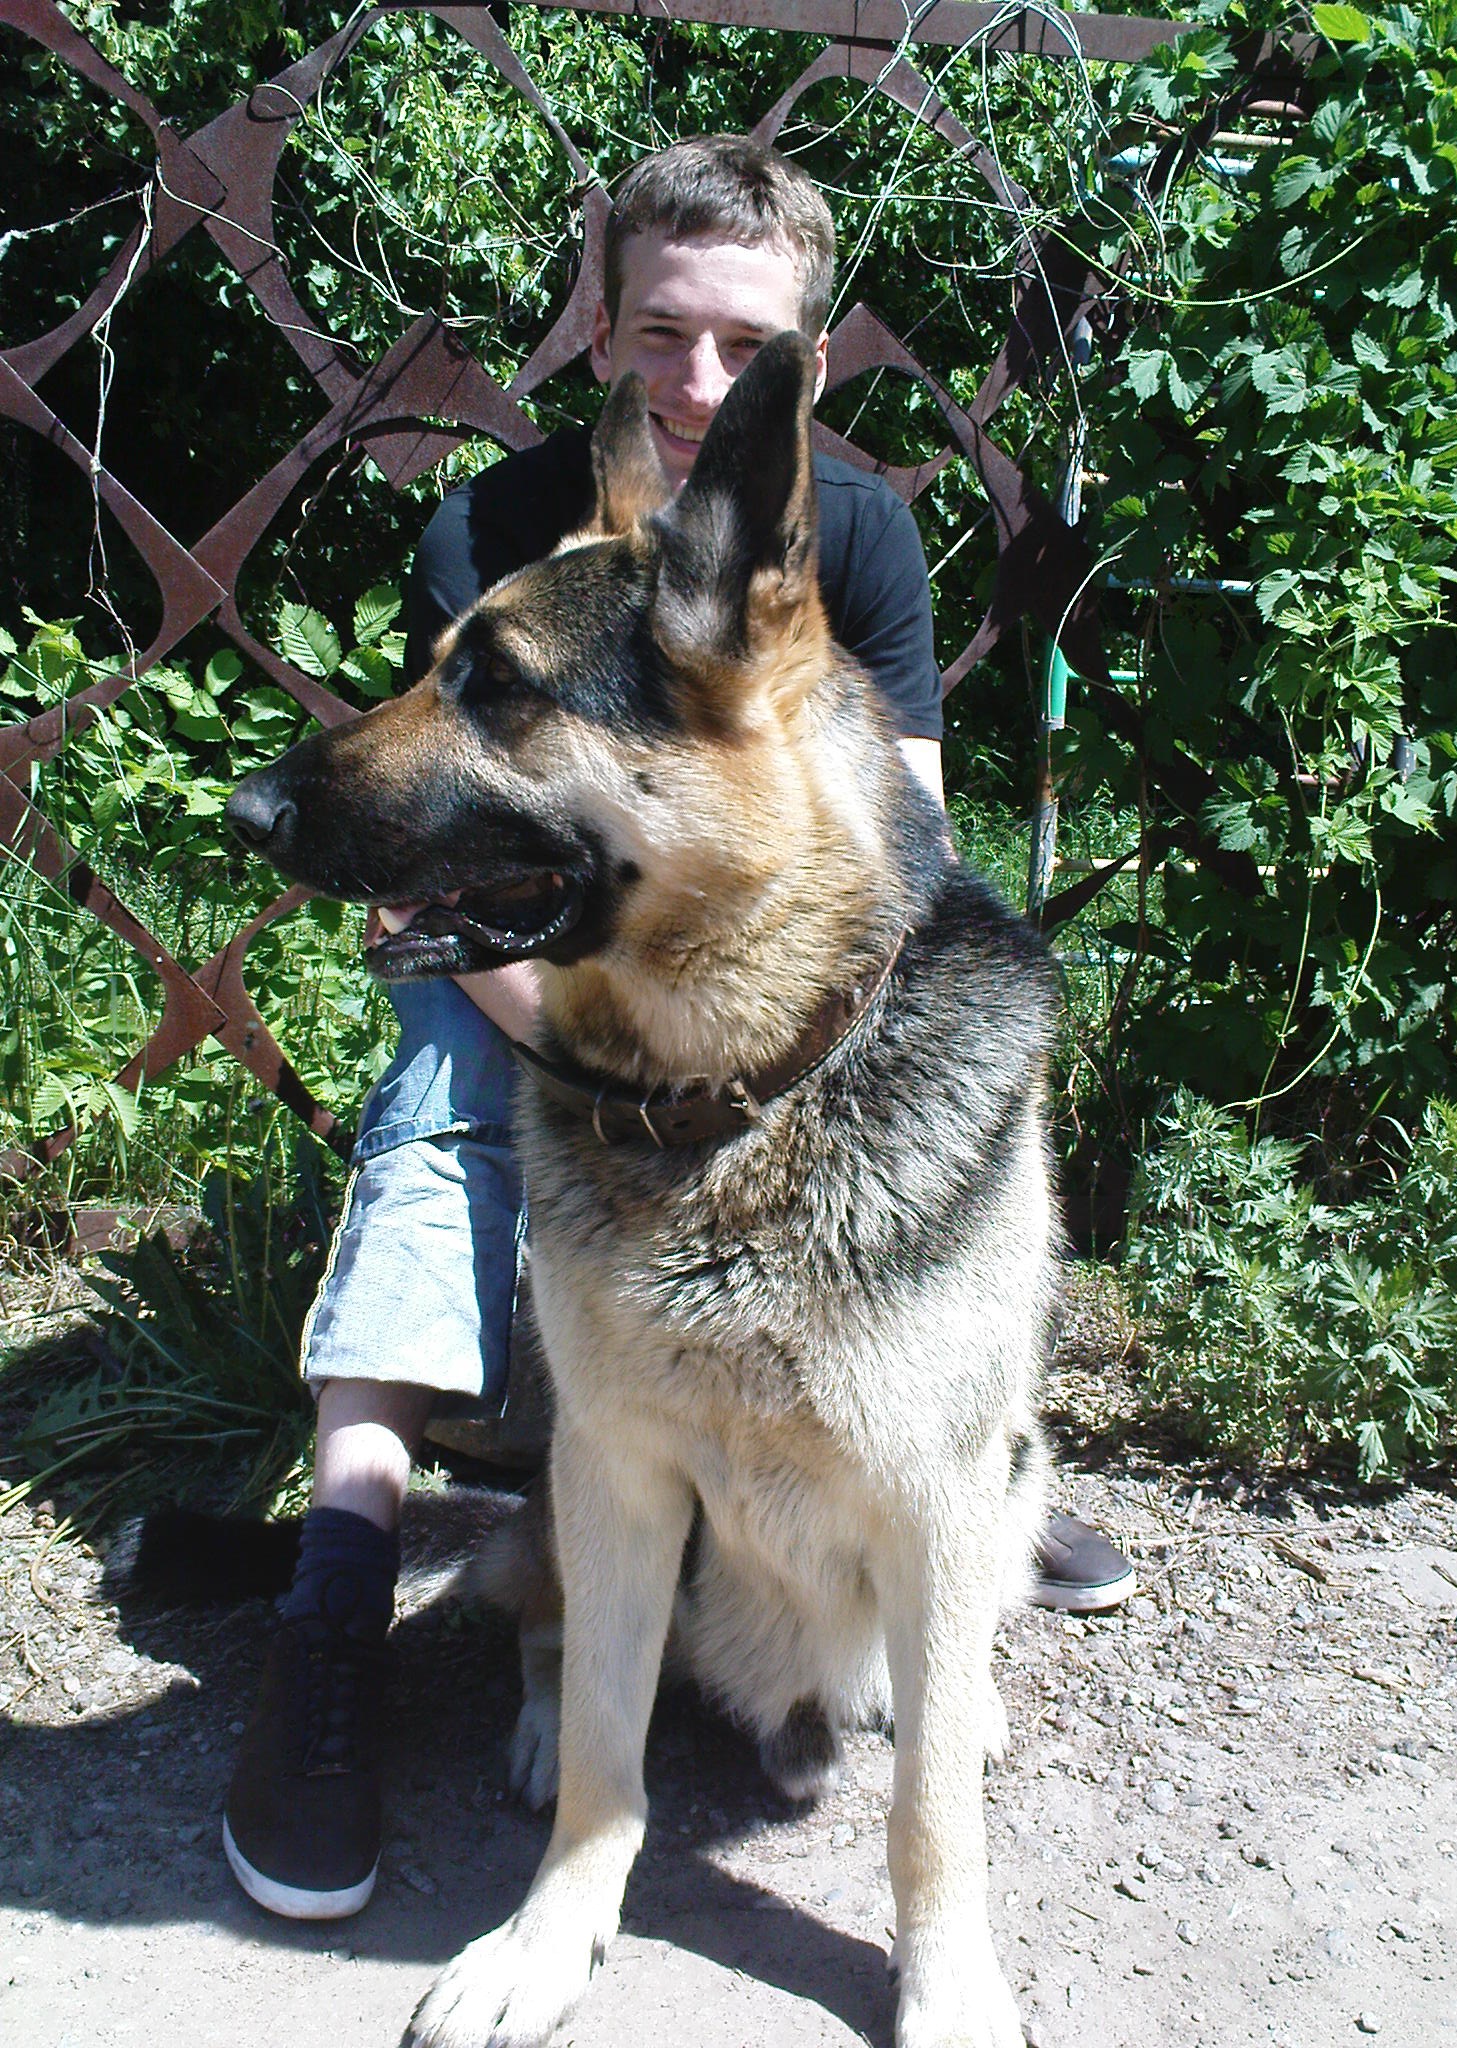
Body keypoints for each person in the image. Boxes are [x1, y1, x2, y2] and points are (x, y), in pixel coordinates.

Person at [221, 134, 1134, 1925]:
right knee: (440, 1083)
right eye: (658, 332)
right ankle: (343, 1579)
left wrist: (752, 1056)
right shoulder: (501, 531)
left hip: (798, 973)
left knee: (937, 1403)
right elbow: (461, 857)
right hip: (551, 980)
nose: (695, 377)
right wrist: (603, 1062)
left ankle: (933, 1487)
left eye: (740, 346)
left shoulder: (846, 531)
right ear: (603, 325)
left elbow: (903, 839)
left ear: (802, 354)